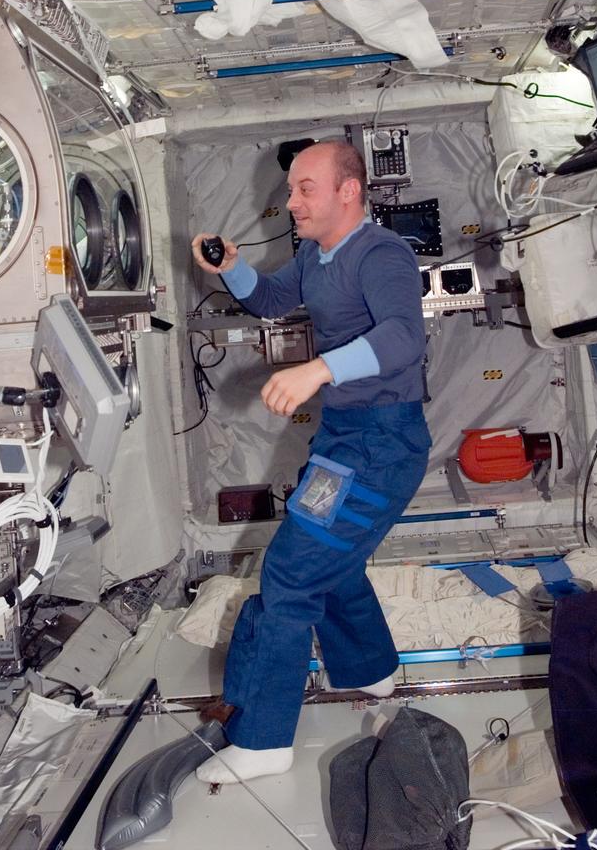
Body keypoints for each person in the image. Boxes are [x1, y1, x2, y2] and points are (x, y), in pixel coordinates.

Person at [190, 140, 430, 784]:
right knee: (331, 558)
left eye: (305, 189)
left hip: (382, 446)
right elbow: (268, 300)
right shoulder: (313, 256)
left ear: (348, 191)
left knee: (292, 573)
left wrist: (319, 368)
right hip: (344, 440)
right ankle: (374, 674)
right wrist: (232, 269)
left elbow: (405, 338)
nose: (291, 202)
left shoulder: (382, 253)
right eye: (291, 190)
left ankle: (262, 740)